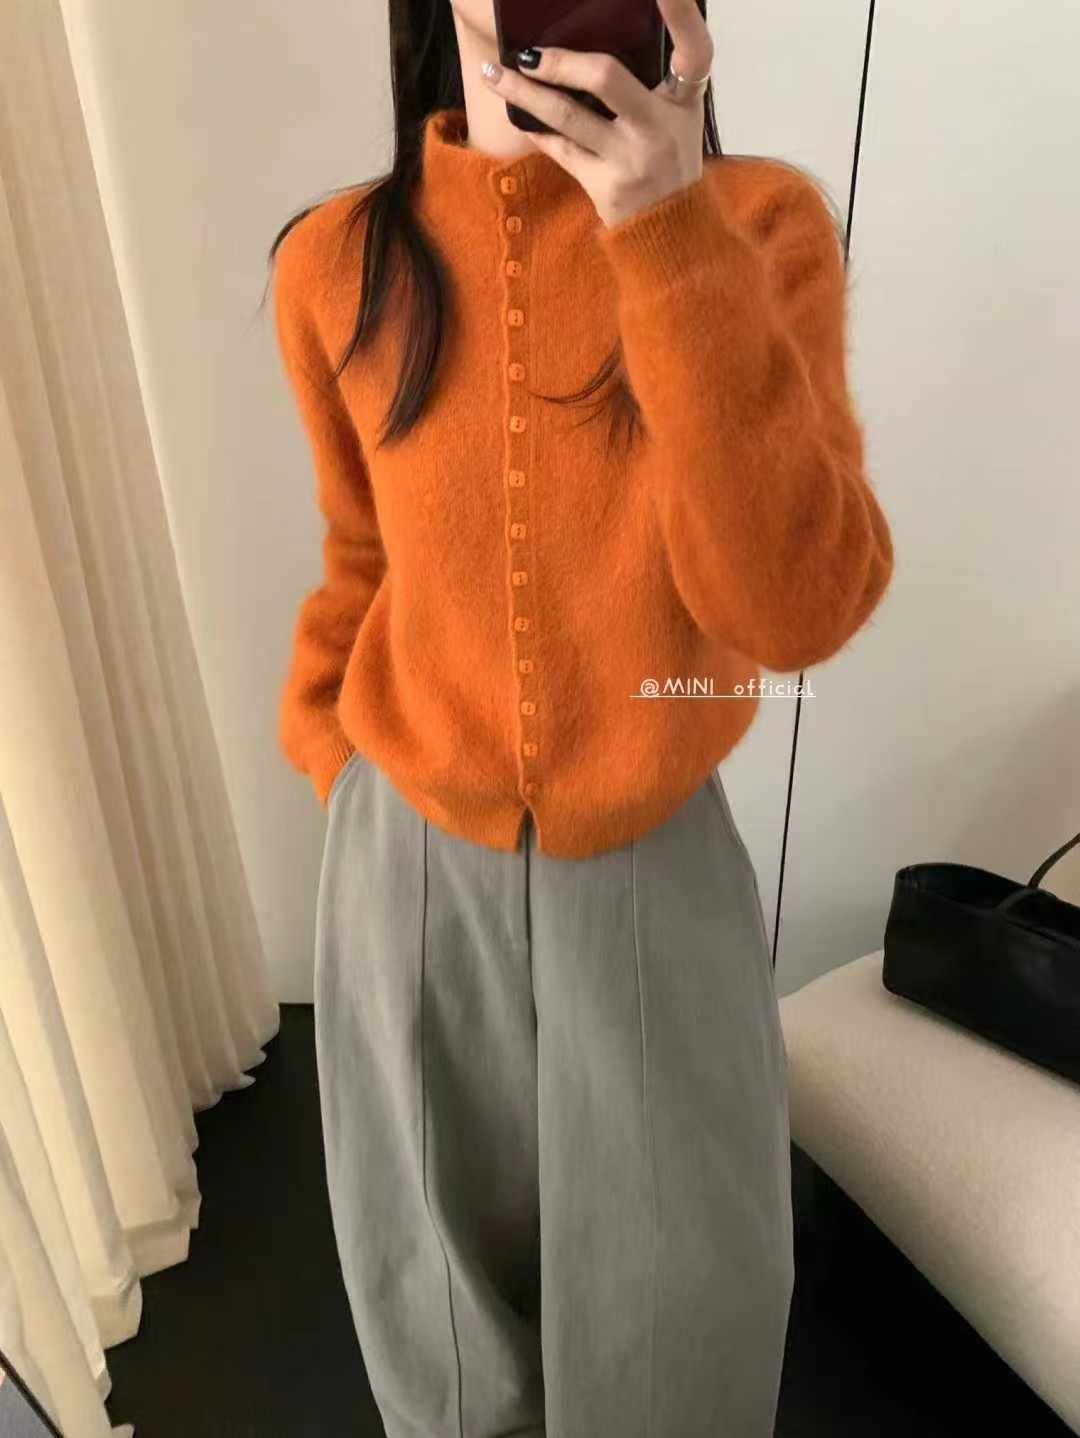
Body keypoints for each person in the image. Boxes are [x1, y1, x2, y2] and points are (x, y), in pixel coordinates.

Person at [268, 0, 894, 1432]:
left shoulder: (760, 228)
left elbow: (798, 609)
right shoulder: (338, 262)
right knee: (440, 1331)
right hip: (402, 864)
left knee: (685, 1325)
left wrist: (667, 233)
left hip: (652, 861)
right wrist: (337, 763)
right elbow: (359, 558)